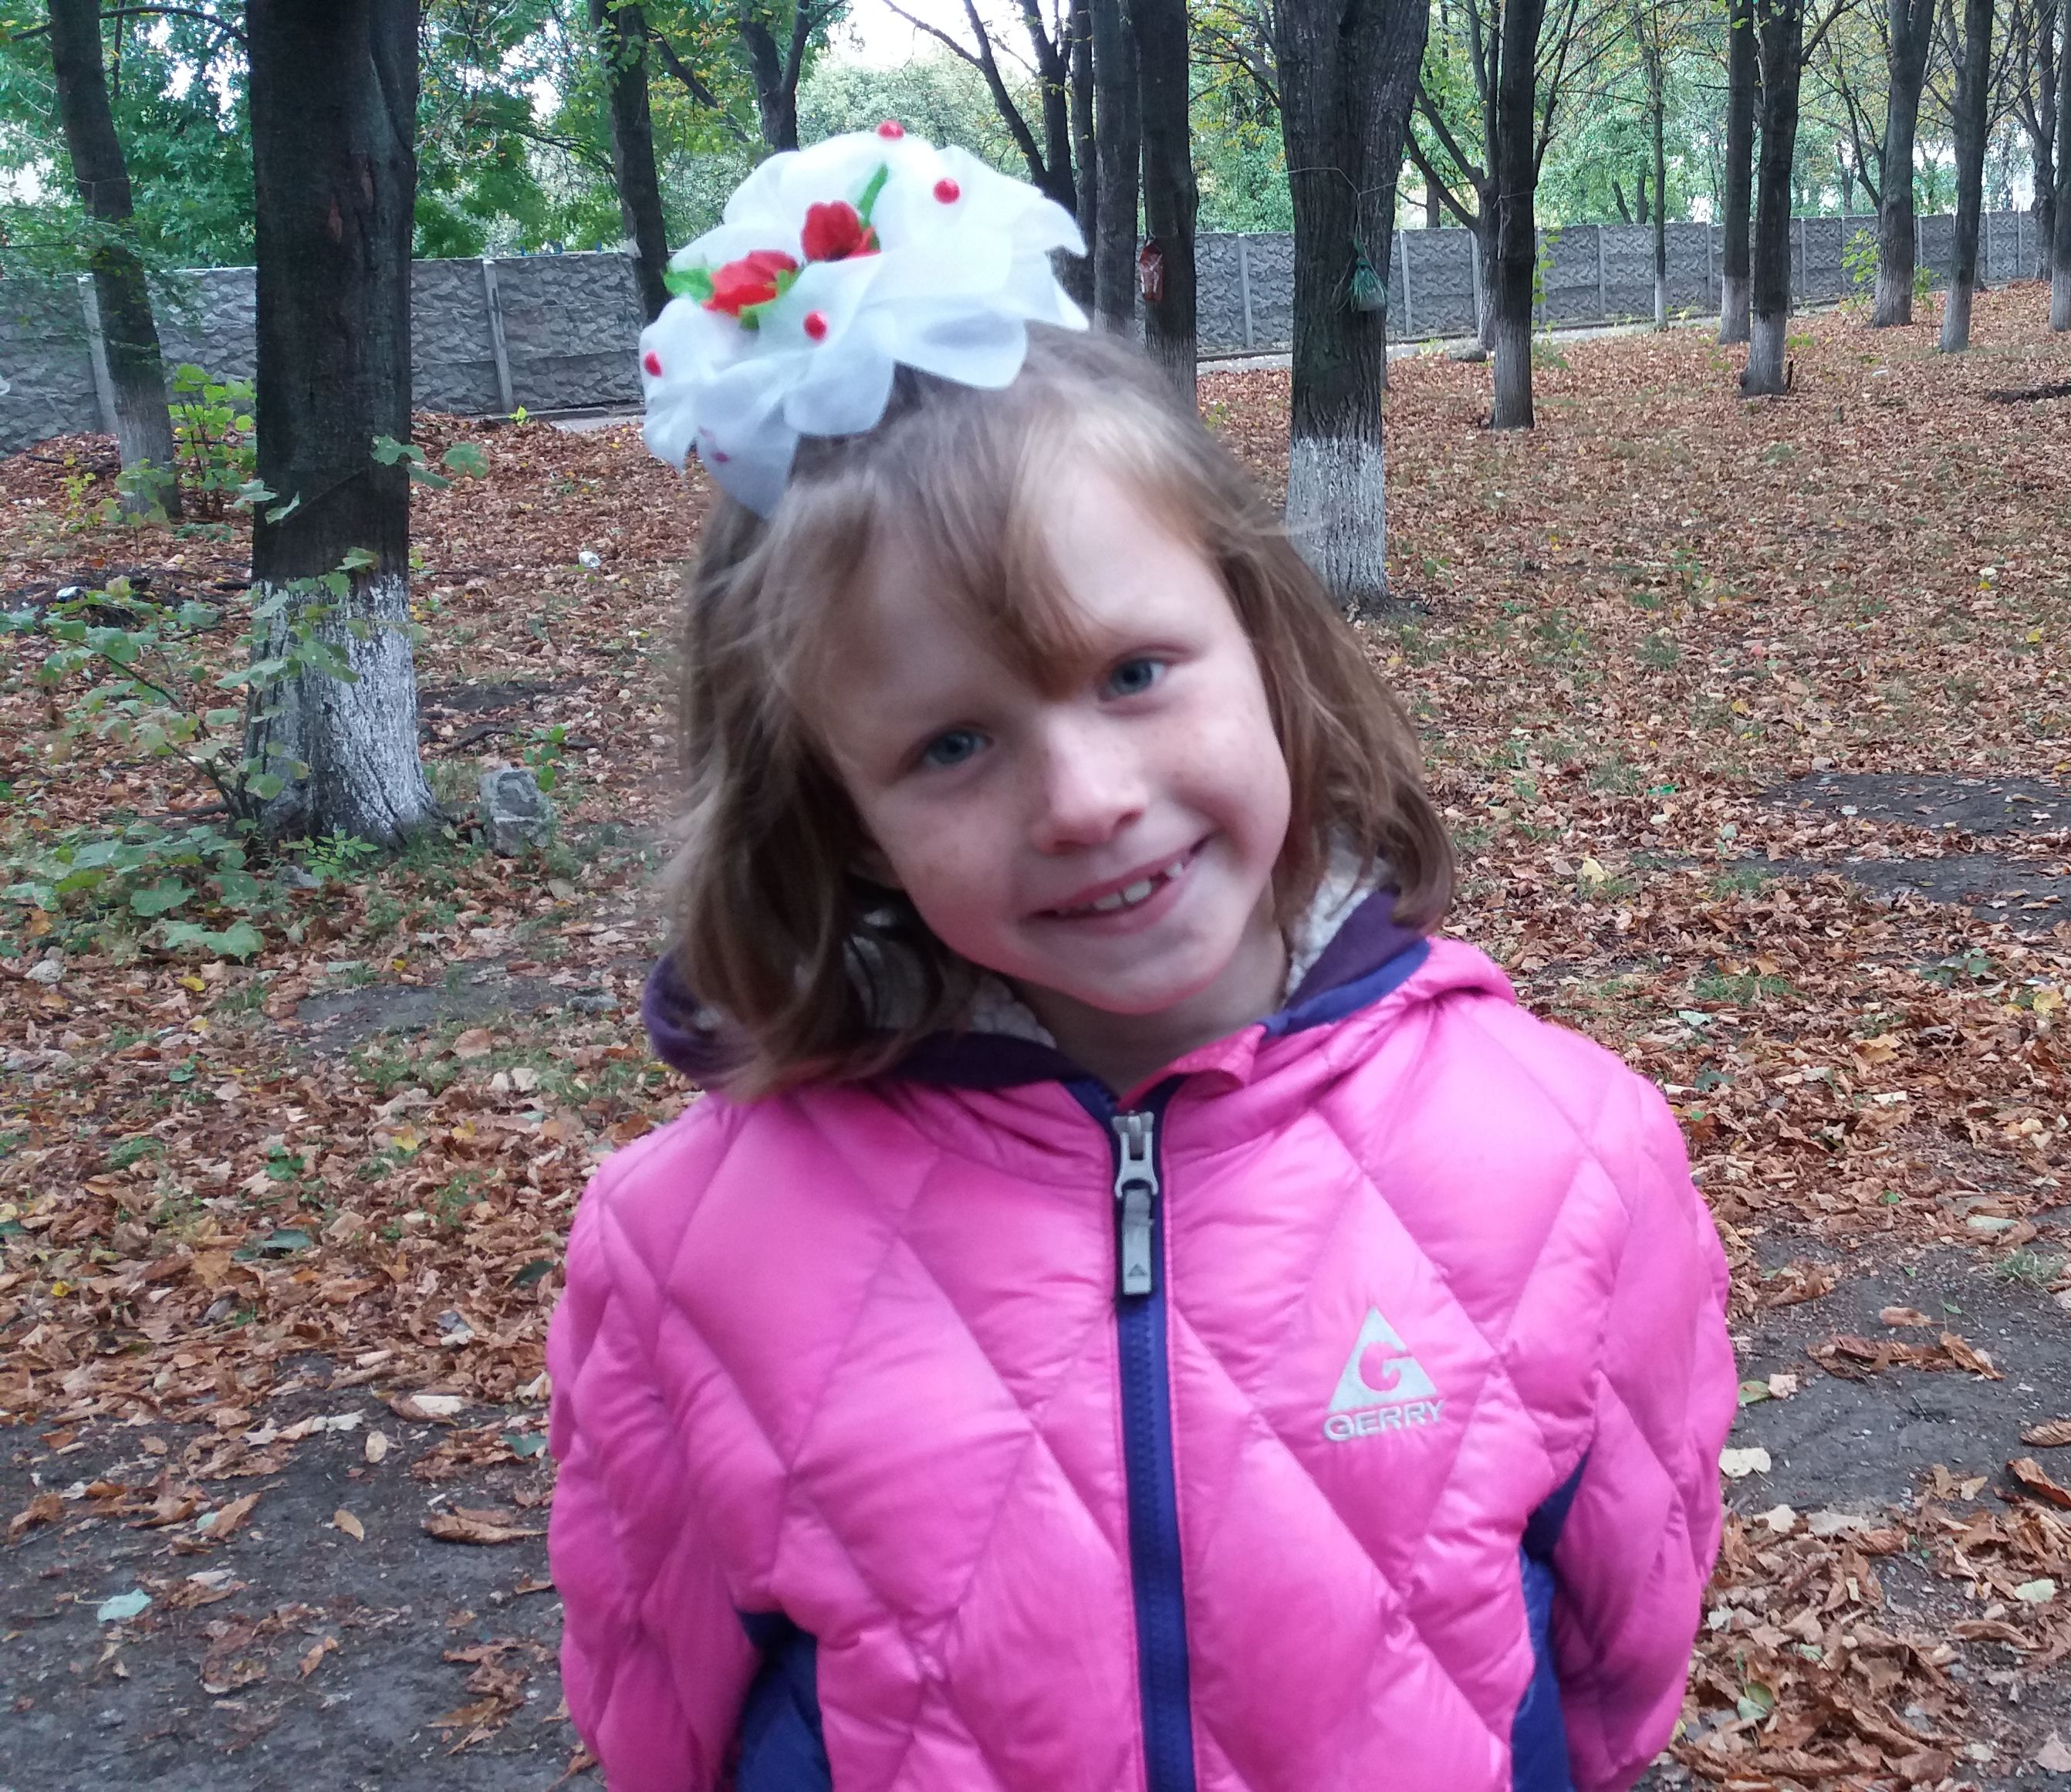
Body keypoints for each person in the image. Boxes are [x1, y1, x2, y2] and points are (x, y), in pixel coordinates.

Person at [544, 126, 1736, 1792]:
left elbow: (1619, 1647)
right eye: (952, 746)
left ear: (1265, 642)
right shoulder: (689, 1249)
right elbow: (659, 1707)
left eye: (1131, 673)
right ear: (842, 815)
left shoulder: (1568, 1155)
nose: (1085, 800)